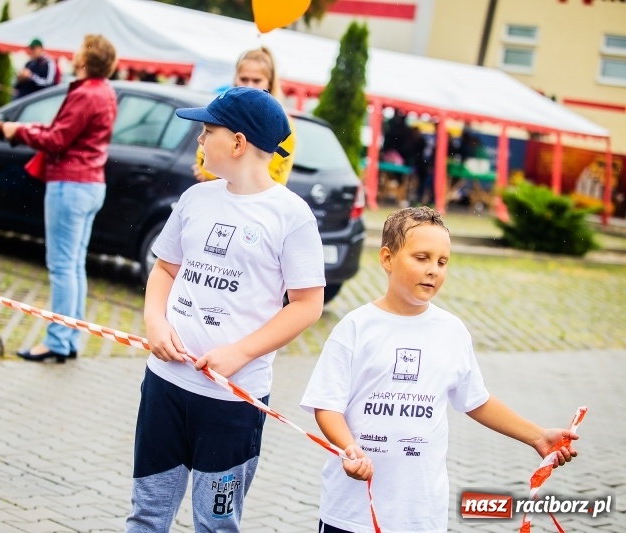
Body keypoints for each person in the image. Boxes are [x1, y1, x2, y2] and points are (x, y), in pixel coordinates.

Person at [300, 206, 579, 533]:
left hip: (421, 515)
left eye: (442, 261)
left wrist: (538, 436)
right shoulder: (355, 327)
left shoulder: (452, 331)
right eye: (421, 258)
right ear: (387, 258)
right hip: (352, 512)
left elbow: (477, 400)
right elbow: (327, 405)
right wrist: (349, 447)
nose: (433, 270)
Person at [125, 87, 325, 532]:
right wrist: (154, 322)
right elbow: (164, 270)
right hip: (165, 387)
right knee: (147, 515)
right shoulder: (195, 199)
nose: (198, 139)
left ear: (237, 143)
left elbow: (308, 305)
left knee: (216, 525)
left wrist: (241, 353)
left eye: (207, 130)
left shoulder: (291, 217)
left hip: (233, 401)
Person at [0, 34, 117, 363]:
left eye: (79, 48)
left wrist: (16, 130)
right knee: (75, 266)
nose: (74, 52)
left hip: (71, 184)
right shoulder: (106, 91)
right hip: (92, 184)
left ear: (85, 59)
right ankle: (70, 338)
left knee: (62, 266)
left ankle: (57, 340)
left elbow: (57, 138)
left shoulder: (87, 92)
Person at [191, 46, 295, 186]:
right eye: (244, 79)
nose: (249, 85)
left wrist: (219, 174)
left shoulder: (282, 124)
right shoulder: (222, 113)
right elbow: (203, 162)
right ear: (235, 78)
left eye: (256, 80)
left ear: (269, 82)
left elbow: (272, 180)